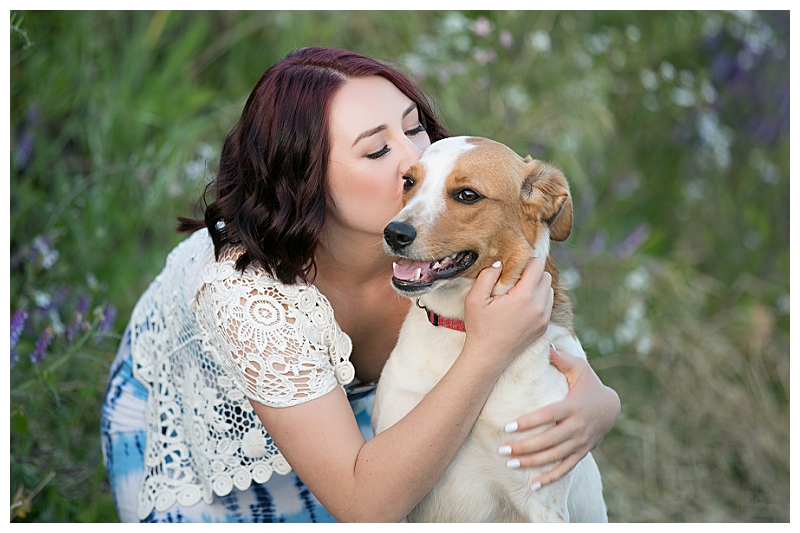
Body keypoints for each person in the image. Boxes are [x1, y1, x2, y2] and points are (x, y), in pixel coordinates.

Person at [100, 46, 620, 523]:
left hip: (369, 446)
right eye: (376, 151)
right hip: (213, 448)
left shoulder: (426, 242)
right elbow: (365, 503)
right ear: (305, 179)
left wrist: (601, 403)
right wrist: (488, 349)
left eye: (414, 128)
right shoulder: (244, 295)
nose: (414, 161)